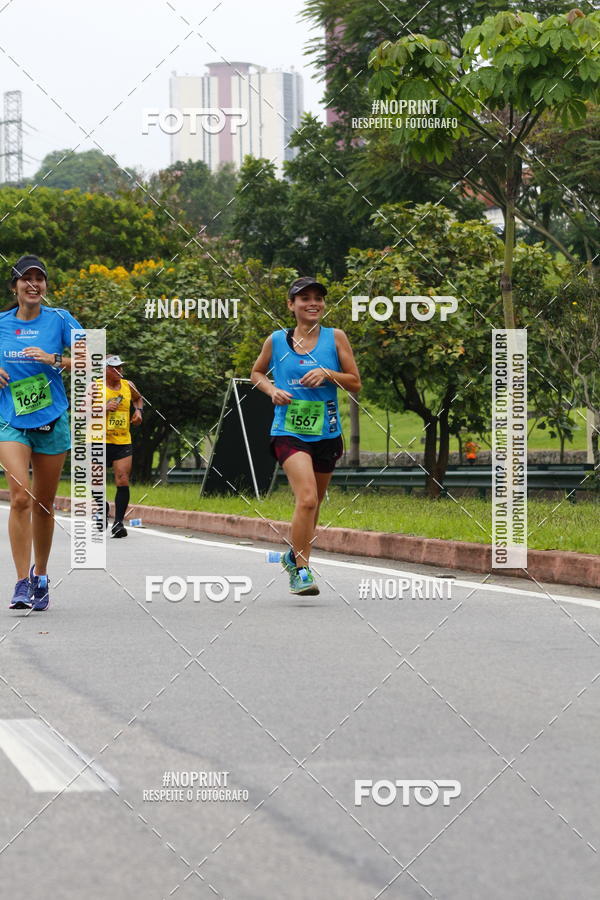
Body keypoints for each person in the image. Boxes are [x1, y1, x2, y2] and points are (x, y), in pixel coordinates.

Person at [251, 276, 361, 595]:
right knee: (308, 498)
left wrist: (328, 373)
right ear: (291, 305)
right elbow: (256, 372)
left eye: (318, 298)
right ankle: (301, 570)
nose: (313, 303)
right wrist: (271, 390)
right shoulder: (276, 340)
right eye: (304, 298)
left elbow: (355, 382)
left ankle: (292, 554)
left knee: (315, 505)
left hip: (327, 431)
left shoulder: (335, 337)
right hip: (288, 430)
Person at [0, 255, 83, 611]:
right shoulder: (1, 323)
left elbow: (94, 357)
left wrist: (55, 360)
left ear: (45, 286)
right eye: (26, 279)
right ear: (14, 286)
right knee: (20, 497)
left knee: (44, 505)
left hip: (51, 419)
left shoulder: (60, 319)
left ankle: (42, 575)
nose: (33, 284)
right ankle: (21, 581)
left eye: (40, 279)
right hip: (10, 419)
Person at [102, 355, 143, 538]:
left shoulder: (128, 385)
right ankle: (102, 506)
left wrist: (138, 411)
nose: (119, 371)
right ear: (104, 370)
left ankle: (118, 523)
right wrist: (103, 408)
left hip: (122, 440)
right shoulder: (94, 387)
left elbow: (138, 398)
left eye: (120, 367)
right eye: (114, 368)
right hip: (98, 440)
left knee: (122, 479)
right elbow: (81, 410)